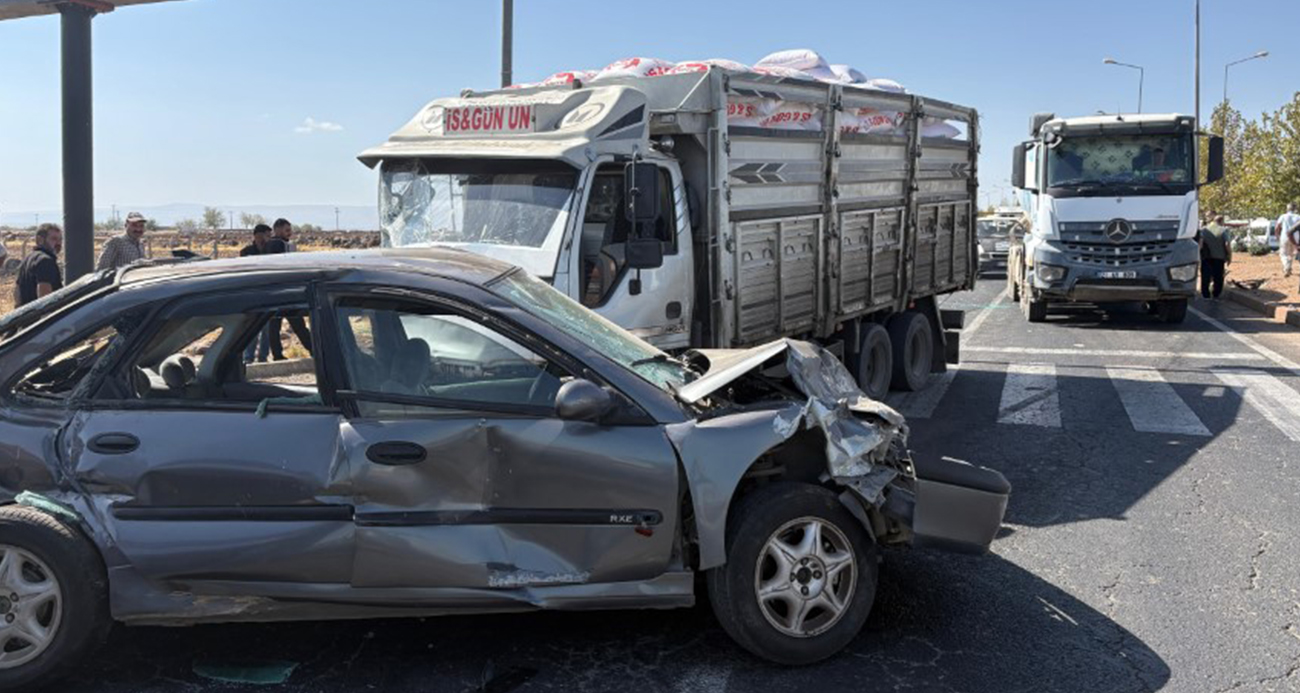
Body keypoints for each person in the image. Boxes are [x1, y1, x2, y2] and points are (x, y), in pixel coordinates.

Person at [256, 218, 311, 361]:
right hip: (284, 292)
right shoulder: (278, 245)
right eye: (287, 230)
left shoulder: (270, 245)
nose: (290, 233)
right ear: (278, 229)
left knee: (275, 326)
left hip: (273, 292)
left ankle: (278, 354)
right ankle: (313, 350)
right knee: (297, 325)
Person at [16, 223, 63, 307]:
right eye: (54, 239)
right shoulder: (46, 261)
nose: (58, 243)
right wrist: (47, 315)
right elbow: (45, 296)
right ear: (40, 240)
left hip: (27, 316)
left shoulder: (27, 259)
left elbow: (17, 291)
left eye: (60, 239)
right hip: (41, 316)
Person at [1199, 214, 1232, 300]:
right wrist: (1229, 256)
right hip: (1219, 257)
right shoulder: (1223, 230)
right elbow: (1227, 244)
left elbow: (1201, 244)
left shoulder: (1204, 230)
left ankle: (1205, 294)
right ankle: (1216, 294)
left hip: (1206, 257)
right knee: (1218, 277)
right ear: (1222, 221)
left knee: (1205, 276)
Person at [1276, 203, 1300, 278]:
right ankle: (1288, 267)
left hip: (1285, 236)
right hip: (1296, 237)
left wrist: (1277, 236)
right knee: (1291, 254)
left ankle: (1287, 267)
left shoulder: (1283, 216)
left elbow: (1277, 227)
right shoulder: (1298, 217)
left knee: (1283, 254)